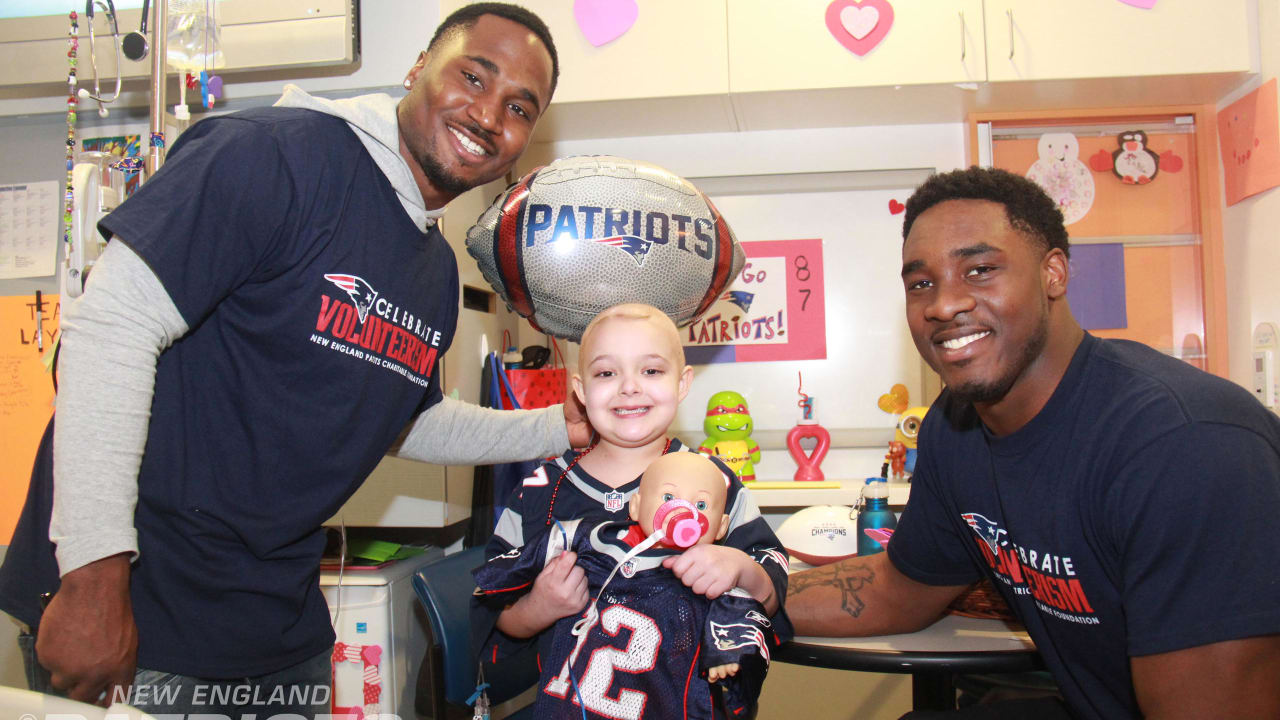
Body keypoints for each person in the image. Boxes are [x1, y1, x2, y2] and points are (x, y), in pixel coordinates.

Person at [0, 4, 591, 718]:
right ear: (417, 69)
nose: (488, 112)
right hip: (142, 617)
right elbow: (112, 326)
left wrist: (565, 425)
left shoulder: (432, 271)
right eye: (473, 75)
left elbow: (404, 420)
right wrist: (92, 575)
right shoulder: (274, 154)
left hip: (279, 632)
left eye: (519, 107)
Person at [785, 166, 1280, 720]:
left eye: (979, 269)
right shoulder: (955, 426)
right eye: (921, 283)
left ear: (1053, 274)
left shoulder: (1186, 446)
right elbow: (897, 588)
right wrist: (739, 590)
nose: (943, 305)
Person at [472, 303, 791, 694]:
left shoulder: (715, 483)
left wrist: (740, 568)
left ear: (682, 383)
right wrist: (538, 608)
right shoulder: (540, 491)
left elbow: (771, 596)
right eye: (607, 373)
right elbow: (495, 608)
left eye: (651, 370)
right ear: (581, 390)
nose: (629, 386)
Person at [473, 451, 778, 719]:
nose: (683, 512)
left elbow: (740, 613)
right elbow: (555, 539)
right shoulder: (598, 537)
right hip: (571, 699)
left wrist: (727, 654)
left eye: (700, 504)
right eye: (669, 499)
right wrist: (505, 580)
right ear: (635, 507)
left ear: (722, 527)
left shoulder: (713, 574)